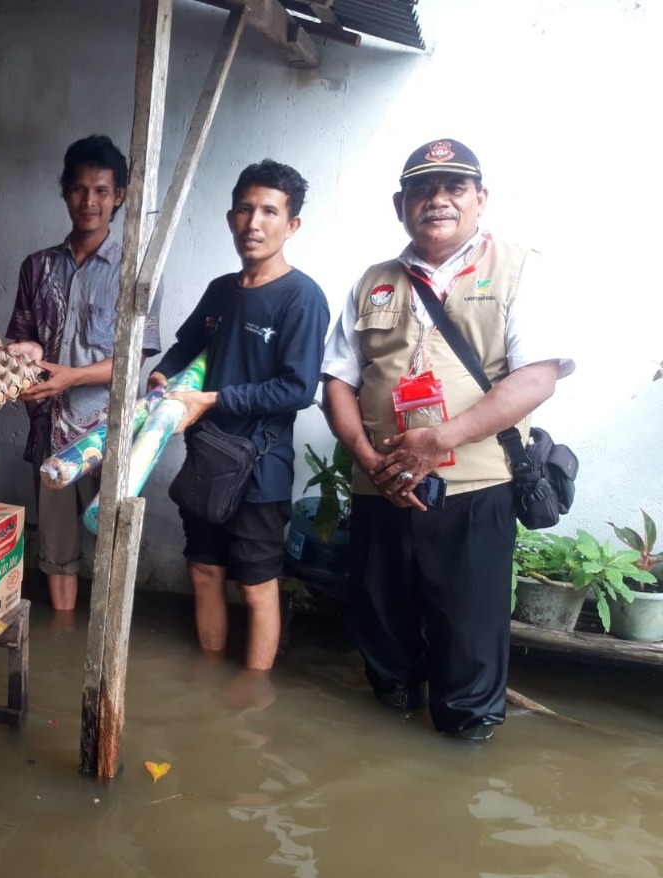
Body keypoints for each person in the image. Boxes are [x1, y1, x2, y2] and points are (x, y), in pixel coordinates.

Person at [321, 138, 573, 741]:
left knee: (470, 642)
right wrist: (362, 452)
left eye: (454, 187)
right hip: (380, 488)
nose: (437, 200)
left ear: (480, 199)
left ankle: (463, 745)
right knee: (382, 633)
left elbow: (537, 378)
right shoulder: (373, 281)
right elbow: (337, 379)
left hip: (473, 490)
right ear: (399, 204)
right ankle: (391, 728)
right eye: (421, 189)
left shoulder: (517, 267)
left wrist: (442, 440)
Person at [149, 160, 329, 670]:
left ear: (291, 224)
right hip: (206, 459)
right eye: (246, 209)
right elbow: (184, 348)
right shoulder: (221, 290)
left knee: (255, 588)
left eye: (270, 211)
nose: (255, 222)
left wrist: (212, 400)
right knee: (204, 572)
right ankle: (210, 681)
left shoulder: (302, 297)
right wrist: (164, 377)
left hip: (260, 468)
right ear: (231, 217)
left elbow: (297, 389)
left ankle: (251, 699)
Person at [6, 134, 161, 611]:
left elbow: (133, 359)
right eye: (78, 189)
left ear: (119, 197)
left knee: (112, 551)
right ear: (64, 192)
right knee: (56, 553)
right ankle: (62, 643)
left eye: (100, 191)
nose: (88, 201)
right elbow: (22, 341)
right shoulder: (37, 267)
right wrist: (21, 365)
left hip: (108, 436)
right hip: (50, 431)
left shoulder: (136, 272)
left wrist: (70, 377)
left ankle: (97, 661)